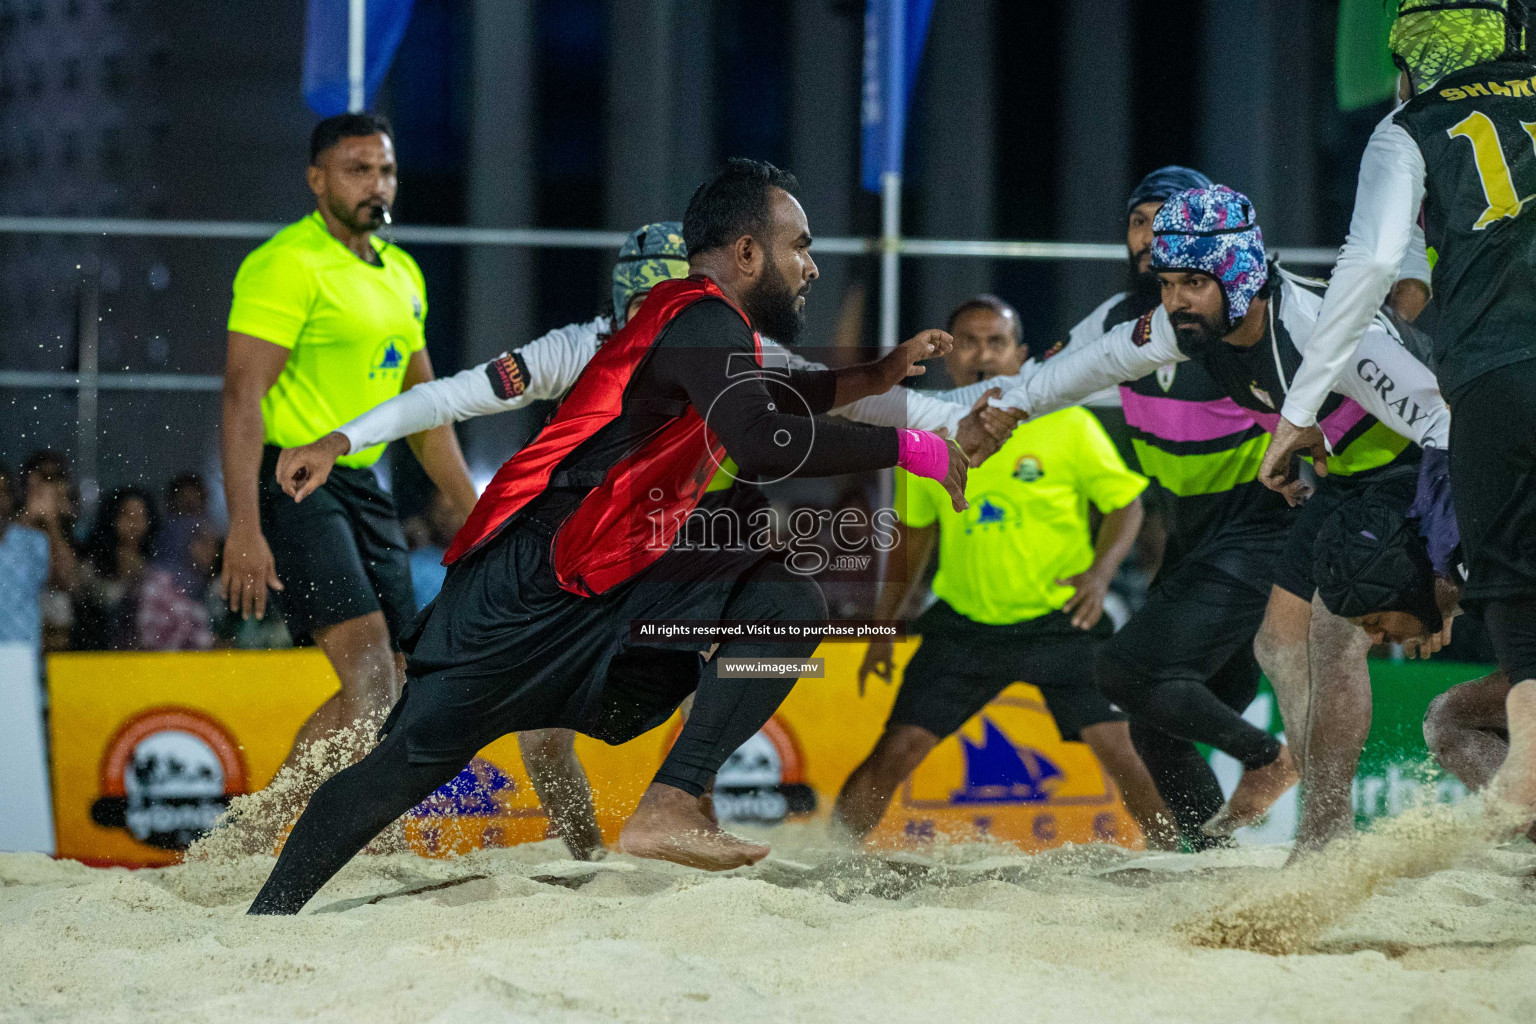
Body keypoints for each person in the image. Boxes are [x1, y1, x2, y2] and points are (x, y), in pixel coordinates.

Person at [248, 158, 974, 914]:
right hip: (541, 579)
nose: (811, 265)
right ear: (748, 253)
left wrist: (877, 375)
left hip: (589, 582)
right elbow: (762, 441)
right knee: (399, 771)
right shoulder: (698, 319)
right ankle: (269, 916)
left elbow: (791, 391)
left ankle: (670, 801)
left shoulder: (701, 322)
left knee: (782, 594)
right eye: (800, 245)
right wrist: (913, 450)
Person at [995, 184, 1451, 841]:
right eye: (1168, 281)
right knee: (1274, 642)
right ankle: (1316, 825)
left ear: (1238, 276)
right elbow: (1079, 371)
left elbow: (1444, 429)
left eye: (1192, 284)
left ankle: (1323, 825)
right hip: (1339, 481)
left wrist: (1440, 565)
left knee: (1331, 638)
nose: (1175, 298)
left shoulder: (1324, 330)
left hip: (1407, 477)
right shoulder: (1193, 327)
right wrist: (992, 413)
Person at [1259, 0, 1536, 825]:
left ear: (1409, 67)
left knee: (1520, 610)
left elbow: (1376, 260)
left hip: (1497, 380)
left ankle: (1517, 800)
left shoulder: (1408, 125)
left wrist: (1298, 408)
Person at [832, 294, 1175, 847]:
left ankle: (1172, 856)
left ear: (1020, 355)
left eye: (997, 342)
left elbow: (1127, 505)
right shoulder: (930, 433)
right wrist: (881, 626)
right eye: (968, 342)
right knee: (893, 754)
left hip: (1060, 623)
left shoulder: (1068, 424)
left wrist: (1099, 577)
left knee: (1126, 751)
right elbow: (914, 537)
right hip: (965, 627)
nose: (983, 355)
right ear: (947, 356)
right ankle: (834, 856)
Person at [219, 112, 478, 777]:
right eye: (357, 170)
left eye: (386, 169)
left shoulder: (403, 275)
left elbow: (426, 412)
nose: (378, 185)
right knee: (368, 674)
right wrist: (244, 526)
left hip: (367, 488)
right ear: (316, 179)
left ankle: (314, 830)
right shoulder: (285, 265)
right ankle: (258, 835)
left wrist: (479, 514)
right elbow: (241, 398)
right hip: (297, 482)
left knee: (397, 682)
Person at [75, 487, 159, 651]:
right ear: (112, 518)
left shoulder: (157, 562)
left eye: (141, 516)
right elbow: (95, 603)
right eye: (127, 515)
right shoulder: (94, 563)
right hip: (99, 651)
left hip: (148, 654)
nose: (134, 523)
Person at [0, 465, 50, 656]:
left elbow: (65, 584)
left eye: (3, 493)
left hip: (21, 652)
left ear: (12, 498)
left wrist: (50, 521)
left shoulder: (34, 541)